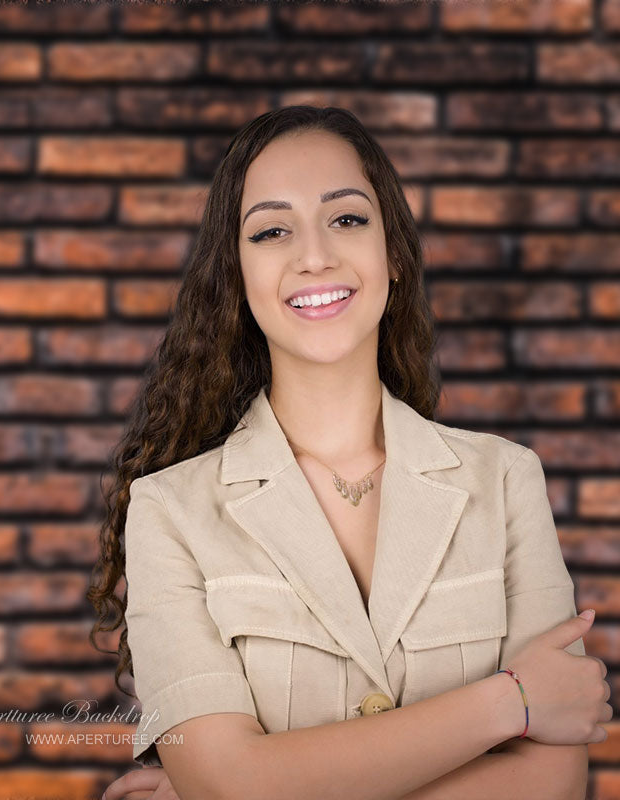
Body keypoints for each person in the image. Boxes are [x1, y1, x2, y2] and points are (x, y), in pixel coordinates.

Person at [88, 106, 611, 800]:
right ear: (236, 276)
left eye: (347, 218)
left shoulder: (506, 481)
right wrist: (509, 703)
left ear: (392, 251)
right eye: (272, 230)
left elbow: (552, 784)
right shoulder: (168, 512)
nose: (315, 255)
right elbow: (229, 785)